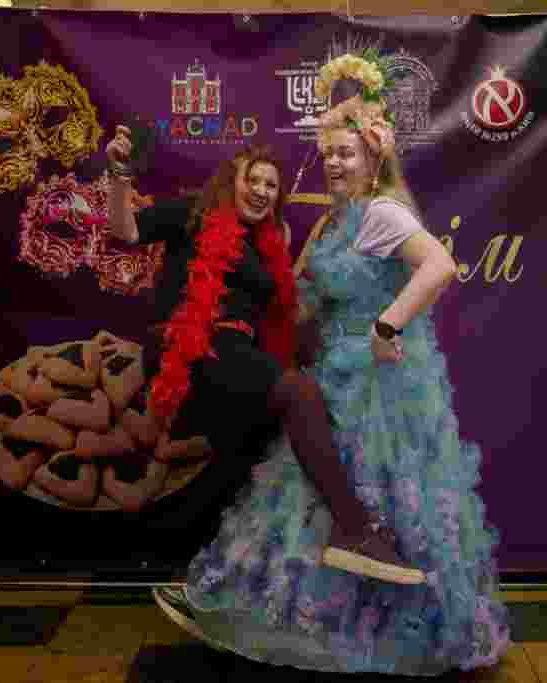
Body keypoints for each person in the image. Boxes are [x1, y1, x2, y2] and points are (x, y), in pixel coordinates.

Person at [151, 48, 512, 675]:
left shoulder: (381, 211)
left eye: (348, 153)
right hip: (329, 378)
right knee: (308, 492)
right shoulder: (333, 224)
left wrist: (385, 325)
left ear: (374, 157)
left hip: (377, 383)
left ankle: (399, 634)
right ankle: (289, 619)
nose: (335, 163)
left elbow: (439, 267)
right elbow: (296, 305)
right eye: (329, 154)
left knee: (385, 494)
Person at [105, 134, 424, 584]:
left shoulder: (268, 247)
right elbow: (125, 231)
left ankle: (218, 581)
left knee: (257, 458)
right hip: (189, 352)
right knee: (296, 392)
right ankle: (353, 530)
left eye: (271, 185)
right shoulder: (194, 215)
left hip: (238, 358)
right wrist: (119, 173)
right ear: (230, 183)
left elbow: (287, 321)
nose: (260, 190)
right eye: (251, 180)